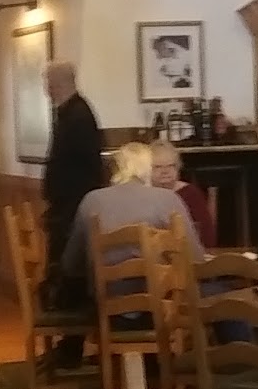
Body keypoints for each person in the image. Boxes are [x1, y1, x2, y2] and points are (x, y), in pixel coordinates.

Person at [52, 141, 199, 368]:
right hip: (162, 312)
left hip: (108, 312)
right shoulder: (168, 199)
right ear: (148, 168)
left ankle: (84, 358)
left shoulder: (92, 200)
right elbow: (194, 257)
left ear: (116, 168)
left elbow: (71, 265)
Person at [41, 62, 105, 318]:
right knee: (62, 271)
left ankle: (71, 332)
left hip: (73, 209)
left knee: (70, 272)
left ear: (57, 84)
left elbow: (87, 167)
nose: (46, 89)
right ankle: (66, 330)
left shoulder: (78, 116)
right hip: (66, 207)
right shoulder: (69, 113)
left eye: (48, 83)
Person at [150, 141, 216, 249]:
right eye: (158, 167)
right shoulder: (143, 195)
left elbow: (207, 236)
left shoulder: (191, 193)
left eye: (171, 166)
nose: (165, 171)